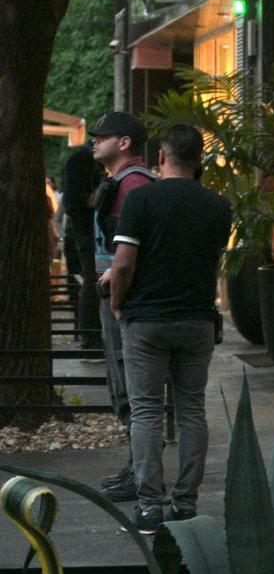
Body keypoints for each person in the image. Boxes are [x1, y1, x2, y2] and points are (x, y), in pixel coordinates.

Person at [109, 124, 231, 532]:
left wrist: (116, 302)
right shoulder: (218, 206)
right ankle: (185, 502)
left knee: (145, 411)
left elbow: (124, 263)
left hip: (147, 320)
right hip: (196, 319)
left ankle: (148, 505)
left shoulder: (142, 200)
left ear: (161, 156)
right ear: (199, 160)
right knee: (192, 410)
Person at [89, 112, 158, 502]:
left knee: (130, 385)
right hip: (120, 293)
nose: (94, 141)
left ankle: (142, 471)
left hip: (123, 297)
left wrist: (117, 297)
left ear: (125, 142)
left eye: (102, 136)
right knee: (125, 383)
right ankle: (138, 466)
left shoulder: (132, 185)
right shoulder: (126, 183)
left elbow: (128, 252)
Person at [63, 144, 103, 347]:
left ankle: (90, 336)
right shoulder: (83, 160)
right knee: (92, 277)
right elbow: (73, 200)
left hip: (87, 229)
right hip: (88, 229)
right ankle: (91, 336)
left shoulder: (82, 159)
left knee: (92, 278)